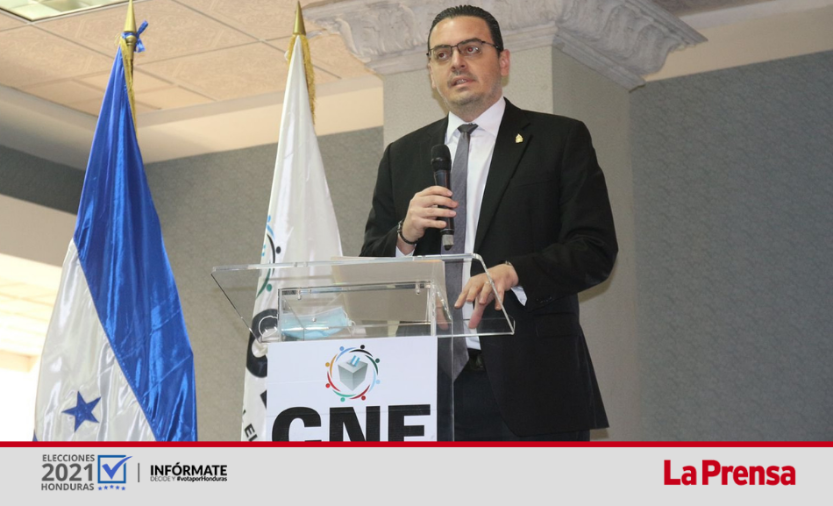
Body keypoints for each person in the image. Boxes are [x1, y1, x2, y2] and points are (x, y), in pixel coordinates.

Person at [360, 5, 617, 441]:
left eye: (471, 49)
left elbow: (594, 250)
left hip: (531, 380)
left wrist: (515, 272)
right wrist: (404, 235)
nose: (456, 63)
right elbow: (370, 268)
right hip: (422, 385)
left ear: (503, 60)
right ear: (431, 72)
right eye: (442, 55)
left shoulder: (558, 139)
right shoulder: (401, 156)